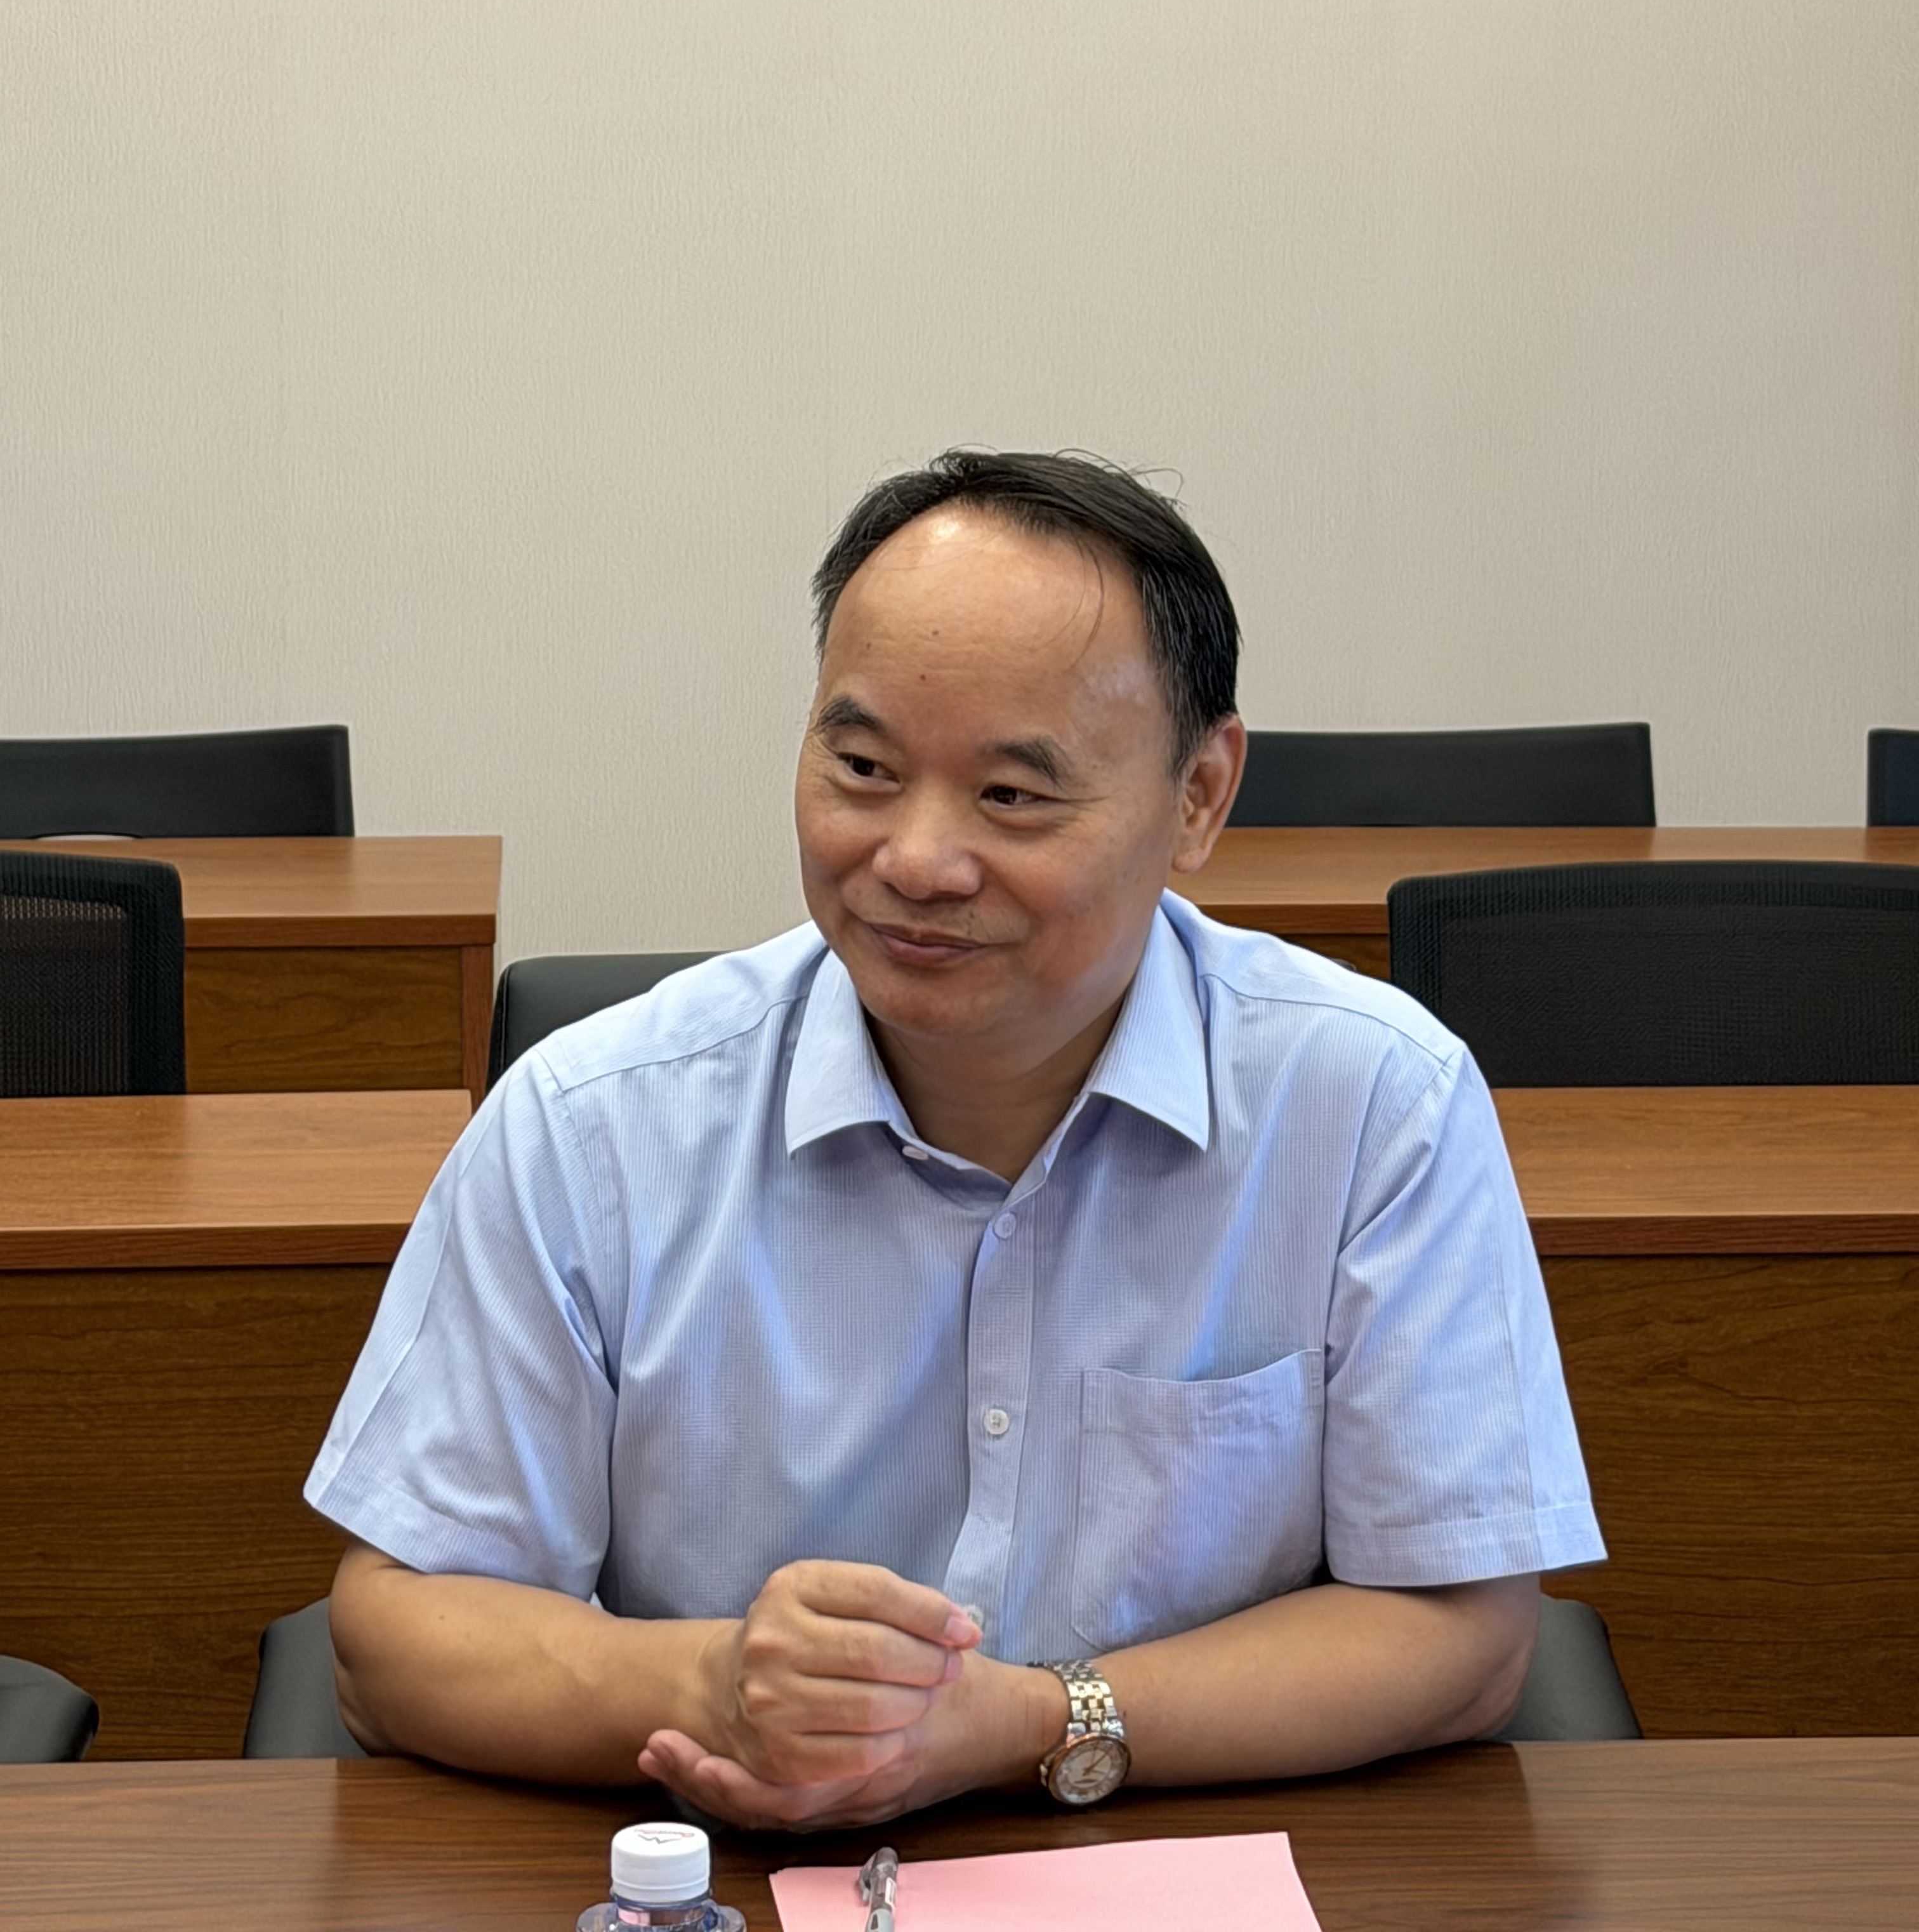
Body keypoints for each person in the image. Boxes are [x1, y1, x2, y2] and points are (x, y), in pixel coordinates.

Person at [309, 449, 1602, 1827]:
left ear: (1200, 796)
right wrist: (716, 1686)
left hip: (1184, 1862)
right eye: (863, 767)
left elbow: (1464, 1634)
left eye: (1012, 797)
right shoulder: (592, 1125)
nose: (917, 861)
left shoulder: (1375, 1105)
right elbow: (396, 1632)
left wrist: (1032, 1723)